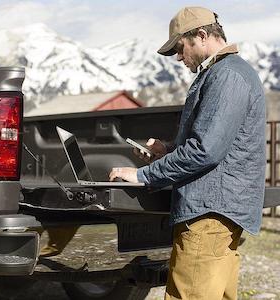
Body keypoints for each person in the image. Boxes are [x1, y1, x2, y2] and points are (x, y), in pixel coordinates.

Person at [109, 6, 266, 300]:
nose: (179, 58)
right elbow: (213, 142)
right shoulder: (225, 73)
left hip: (209, 215)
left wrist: (143, 175)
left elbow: (205, 151)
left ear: (201, 36)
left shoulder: (226, 76)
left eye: (180, 48)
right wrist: (166, 149)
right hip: (218, 214)